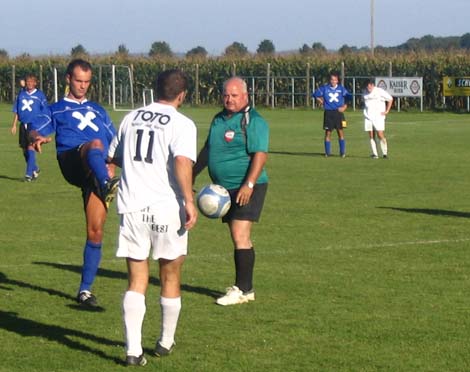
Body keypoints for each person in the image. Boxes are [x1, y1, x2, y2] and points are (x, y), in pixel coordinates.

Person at [107, 69, 197, 366]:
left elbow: (114, 157)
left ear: (155, 90)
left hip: (132, 207)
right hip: (166, 207)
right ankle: (165, 341)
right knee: (170, 274)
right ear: (182, 95)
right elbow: (183, 162)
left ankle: (133, 351)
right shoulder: (183, 124)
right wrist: (189, 200)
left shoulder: (130, 117)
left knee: (136, 278)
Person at [30, 59, 119, 307]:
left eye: (87, 82)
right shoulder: (56, 108)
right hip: (72, 160)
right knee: (94, 145)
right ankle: (107, 183)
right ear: (68, 79)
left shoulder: (99, 110)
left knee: (96, 230)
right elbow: (36, 129)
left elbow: (116, 141)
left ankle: (84, 291)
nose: (83, 86)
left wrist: (115, 161)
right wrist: (36, 137)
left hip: (97, 169)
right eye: (78, 81)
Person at [193, 77, 269, 306]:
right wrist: (192, 174)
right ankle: (246, 288)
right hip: (225, 190)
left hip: (246, 186)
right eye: (226, 94)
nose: (229, 99)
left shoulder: (252, 120)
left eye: (234, 95)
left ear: (245, 96)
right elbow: (208, 150)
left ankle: (242, 290)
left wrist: (249, 185)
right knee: (238, 237)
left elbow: (260, 154)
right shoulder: (218, 119)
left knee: (240, 236)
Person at [10, 74, 48, 181]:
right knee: (24, 150)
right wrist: (14, 125)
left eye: (32, 82)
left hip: (34, 125)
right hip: (23, 125)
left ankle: (28, 174)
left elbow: (45, 110)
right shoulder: (21, 94)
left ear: (35, 83)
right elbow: (17, 111)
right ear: (25, 82)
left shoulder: (40, 95)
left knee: (31, 147)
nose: (29, 84)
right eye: (28, 81)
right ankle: (35, 168)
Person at [313, 71, 350, 157]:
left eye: (335, 80)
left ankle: (342, 152)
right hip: (328, 113)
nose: (333, 81)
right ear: (330, 80)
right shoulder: (325, 88)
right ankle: (327, 152)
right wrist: (320, 101)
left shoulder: (341, 89)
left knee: (340, 132)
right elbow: (315, 94)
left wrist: (344, 107)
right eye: (332, 80)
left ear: (338, 81)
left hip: (338, 113)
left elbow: (348, 97)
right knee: (328, 132)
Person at [363, 79, 394, 159]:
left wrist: (387, 111)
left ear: (373, 85)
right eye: (367, 85)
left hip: (378, 117)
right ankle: (375, 154)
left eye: (370, 85)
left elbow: (390, 99)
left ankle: (384, 153)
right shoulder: (364, 92)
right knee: (371, 135)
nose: (368, 87)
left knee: (380, 134)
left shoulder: (379, 91)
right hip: (368, 117)